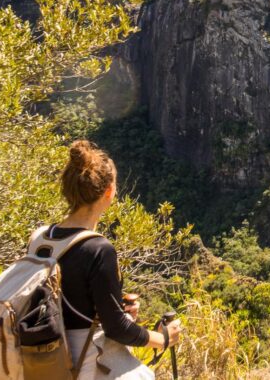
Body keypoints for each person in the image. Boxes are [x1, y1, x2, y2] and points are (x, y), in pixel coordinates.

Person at [36, 139, 182, 379]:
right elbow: (117, 329)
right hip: (79, 363)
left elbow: (68, 301)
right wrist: (164, 338)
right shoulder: (98, 249)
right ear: (109, 192)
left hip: (44, 358)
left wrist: (114, 308)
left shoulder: (41, 238)